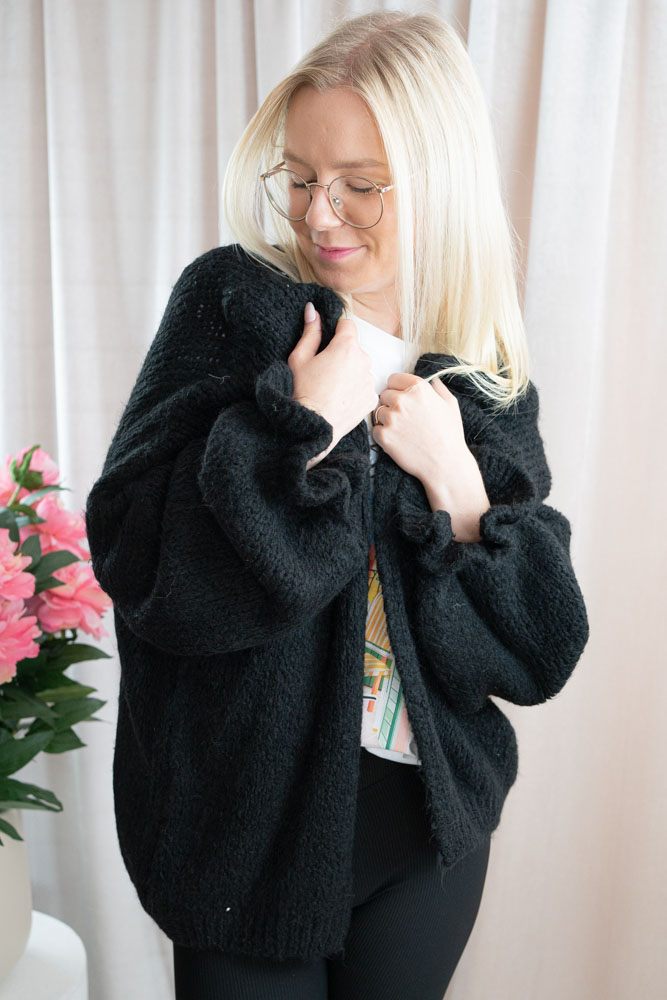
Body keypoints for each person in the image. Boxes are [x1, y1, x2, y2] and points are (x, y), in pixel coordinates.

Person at [85, 10, 589, 1000]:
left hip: (426, 831)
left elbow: (537, 650)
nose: (320, 215)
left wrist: (458, 485)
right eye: (301, 176)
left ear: (438, 179)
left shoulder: (481, 377)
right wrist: (299, 428)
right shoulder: (233, 305)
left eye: (360, 185)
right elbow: (144, 567)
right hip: (239, 839)